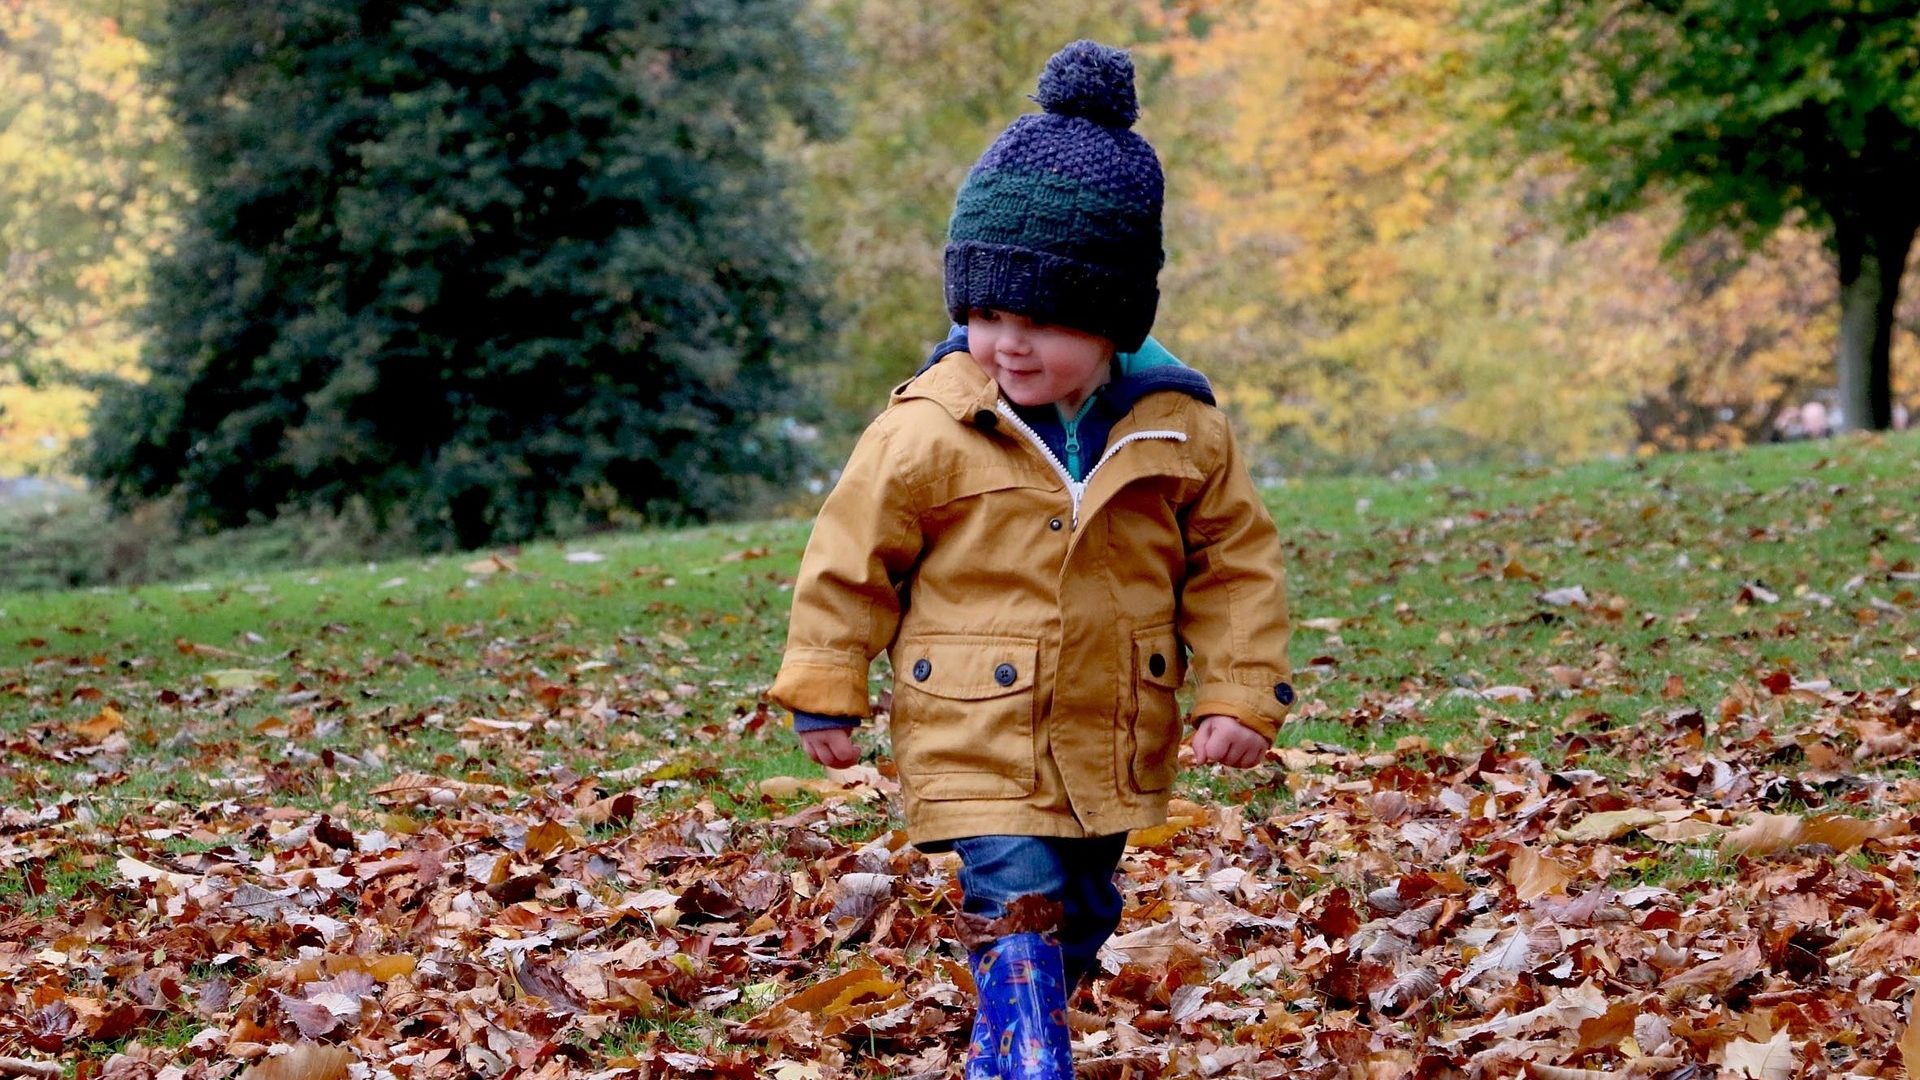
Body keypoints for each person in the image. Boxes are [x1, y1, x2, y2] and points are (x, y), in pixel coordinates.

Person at [767, 40, 1294, 1080]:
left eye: (1042, 321)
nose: (1008, 343)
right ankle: (1026, 1060)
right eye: (985, 314)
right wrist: (826, 685)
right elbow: (851, 554)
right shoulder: (930, 428)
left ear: (1113, 323)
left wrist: (1241, 690)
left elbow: (1234, 564)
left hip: (1109, 731)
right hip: (972, 725)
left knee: (1084, 907)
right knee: (1018, 896)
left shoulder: (1179, 428)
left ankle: (1013, 1037)